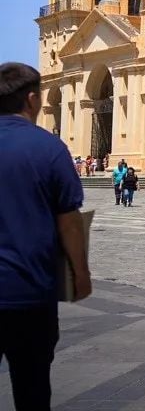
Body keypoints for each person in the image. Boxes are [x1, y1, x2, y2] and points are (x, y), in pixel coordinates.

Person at [0, 62, 92, 409]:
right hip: (30, 292)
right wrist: (80, 275)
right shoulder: (49, 148)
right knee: (33, 389)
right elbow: (69, 222)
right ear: (33, 100)